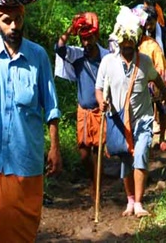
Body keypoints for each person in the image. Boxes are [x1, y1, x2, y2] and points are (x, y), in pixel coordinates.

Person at [0, 0, 62, 242]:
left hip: (29, 158)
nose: (14, 26)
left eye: (18, 19)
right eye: (7, 21)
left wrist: (55, 147)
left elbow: (51, 106)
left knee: (25, 228)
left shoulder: (37, 56)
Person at [95, 7, 166, 218]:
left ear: (135, 43)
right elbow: (99, 89)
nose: (127, 49)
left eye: (130, 46)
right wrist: (101, 103)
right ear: (119, 44)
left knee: (141, 156)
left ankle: (138, 203)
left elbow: (157, 79)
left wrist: (163, 94)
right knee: (125, 160)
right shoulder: (108, 62)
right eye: (123, 46)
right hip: (119, 121)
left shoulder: (144, 61)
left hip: (143, 120)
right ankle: (129, 200)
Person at [54, 12, 109, 200]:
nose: (86, 42)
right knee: (84, 153)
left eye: (89, 37)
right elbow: (59, 48)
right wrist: (71, 28)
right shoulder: (77, 56)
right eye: (83, 38)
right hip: (83, 111)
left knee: (97, 151)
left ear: (96, 36)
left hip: (100, 111)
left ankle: (97, 187)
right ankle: (93, 180)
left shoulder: (106, 58)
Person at [135, 6, 166, 151]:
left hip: (152, 84)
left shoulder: (151, 45)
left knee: (162, 109)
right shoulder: (126, 47)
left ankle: (162, 138)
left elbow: (160, 68)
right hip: (136, 86)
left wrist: (160, 88)